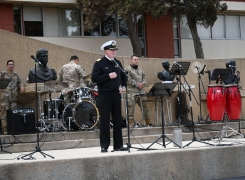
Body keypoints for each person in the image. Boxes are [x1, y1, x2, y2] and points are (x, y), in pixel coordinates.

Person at [91, 40, 128, 153]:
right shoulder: (99, 63)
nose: (114, 52)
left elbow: (124, 76)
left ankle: (118, 145)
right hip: (105, 95)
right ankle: (104, 145)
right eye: (111, 50)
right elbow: (94, 78)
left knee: (117, 120)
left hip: (116, 94)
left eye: (115, 50)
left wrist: (123, 86)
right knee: (105, 120)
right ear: (106, 51)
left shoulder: (117, 62)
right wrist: (108, 76)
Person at [125, 55, 151, 127]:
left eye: (137, 59)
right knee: (131, 108)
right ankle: (131, 123)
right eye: (134, 59)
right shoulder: (127, 69)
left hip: (141, 91)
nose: (136, 61)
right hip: (131, 91)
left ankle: (148, 122)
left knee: (144, 106)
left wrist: (142, 84)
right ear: (131, 60)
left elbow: (144, 79)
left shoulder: (141, 69)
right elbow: (128, 80)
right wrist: (137, 84)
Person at [0, 60, 25, 134]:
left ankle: (13, 129)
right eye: (9, 64)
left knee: (14, 113)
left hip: (13, 98)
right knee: (4, 114)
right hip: (5, 98)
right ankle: (5, 130)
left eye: (12, 64)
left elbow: (20, 82)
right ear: (7, 66)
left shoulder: (16, 74)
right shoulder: (3, 74)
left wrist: (21, 86)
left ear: (14, 66)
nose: (11, 65)